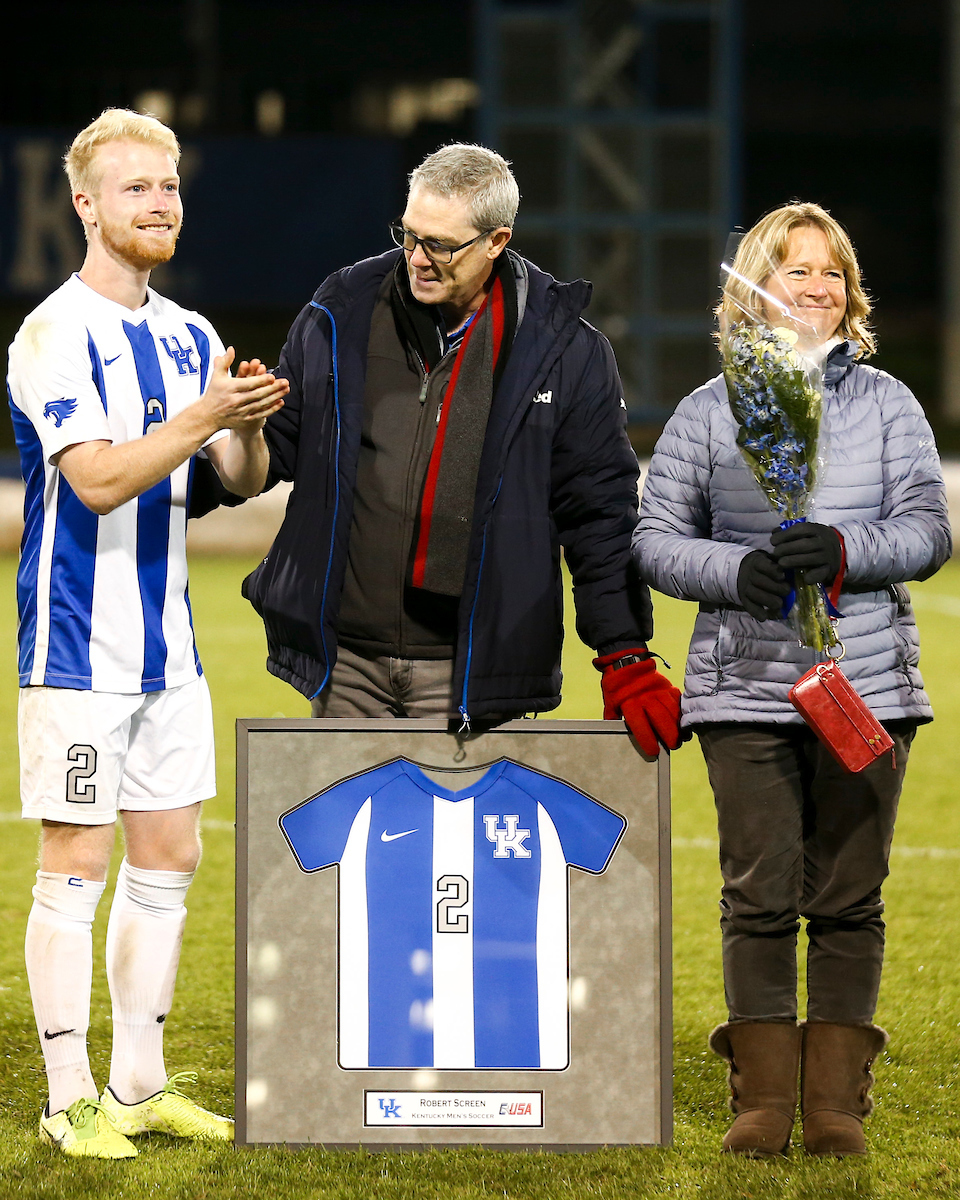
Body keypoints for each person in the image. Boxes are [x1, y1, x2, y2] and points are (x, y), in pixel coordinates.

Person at [633, 202, 951, 1158]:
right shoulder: (707, 408)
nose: (816, 287)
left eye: (831, 273)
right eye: (794, 269)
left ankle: (835, 1104)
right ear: (753, 288)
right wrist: (735, 572)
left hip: (868, 687)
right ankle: (764, 1100)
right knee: (760, 895)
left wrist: (847, 549)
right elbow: (653, 541)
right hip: (745, 690)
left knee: (851, 897)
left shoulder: (889, 403)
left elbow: (931, 530)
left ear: (849, 294)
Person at [7, 109, 288, 1158]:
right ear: (86, 204)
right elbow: (95, 478)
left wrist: (247, 423)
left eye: (169, 187)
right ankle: (67, 1093)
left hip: (168, 648)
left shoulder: (188, 334)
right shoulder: (50, 333)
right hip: (75, 649)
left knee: (168, 857)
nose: (160, 204)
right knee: (75, 862)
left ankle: (137, 1084)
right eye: (136, 189)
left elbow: (240, 484)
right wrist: (204, 418)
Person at [242, 143, 681, 751]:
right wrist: (213, 440)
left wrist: (625, 654)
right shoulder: (342, 309)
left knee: (453, 849)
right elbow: (278, 446)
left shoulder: (566, 350)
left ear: (497, 242)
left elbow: (597, 515)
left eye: (442, 246)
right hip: (346, 666)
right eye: (409, 235)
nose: (417, 258)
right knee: (349, 849)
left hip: (470, 670)